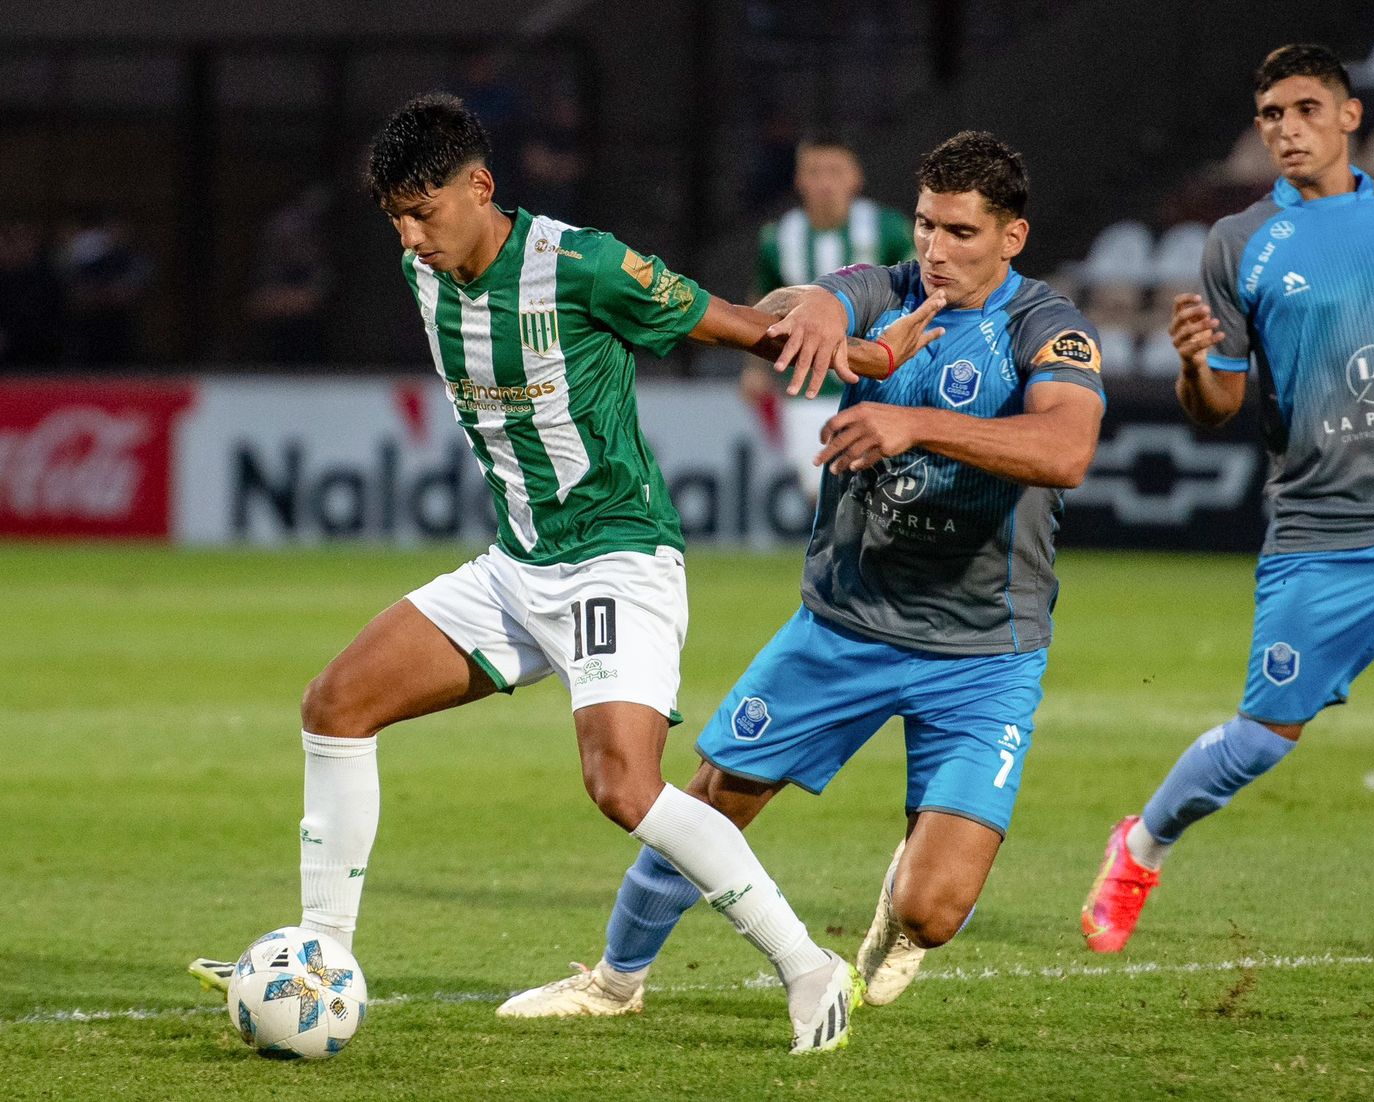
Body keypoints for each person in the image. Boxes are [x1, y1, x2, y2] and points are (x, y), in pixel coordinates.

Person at [188, 92, 943, 1054]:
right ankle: (325, 962)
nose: (413, 238)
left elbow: (733, 325)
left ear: (481, 188)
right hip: (516, 566)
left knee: (625, 787)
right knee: (335, 705)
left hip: (615, 559)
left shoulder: (579, 266)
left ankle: (808, 966)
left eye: (425, 212)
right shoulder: (426, 269)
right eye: (398, 220)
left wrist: (872, 351)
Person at [494, 130, 1105, 1019]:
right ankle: (615, 981)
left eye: (962, 234)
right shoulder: (885, 287)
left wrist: (915, 425)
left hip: (985, 652)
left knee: (933, 913)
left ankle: (902, 914)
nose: (935, 250)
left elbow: (1067, 448)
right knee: (713, 801)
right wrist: (813, 305)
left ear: (1012, 238)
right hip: (844, 626)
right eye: (927, 226)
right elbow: (800, 303)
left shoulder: (1046, 327)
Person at [1081, 44, 1374, 954]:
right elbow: (1218, 408)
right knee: (1264, 739)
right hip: (1326, 535)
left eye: (1306, 109)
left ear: (1350, 117)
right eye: (1271, 115)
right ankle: (1141, 844)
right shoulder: (1239, 242)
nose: (1286, 129)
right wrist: (1194, 362)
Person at [743, 137, 915, 500]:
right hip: (808, 389)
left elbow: (917, 293)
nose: (824, 182)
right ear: (798, 180)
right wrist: (754, 367)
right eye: (814, 172)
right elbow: (762, 301)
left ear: (855, 177)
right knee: (821, 494)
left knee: (884, 496)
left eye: (835, 171)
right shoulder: (778, 237)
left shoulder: (889, 228)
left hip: (880, 385)